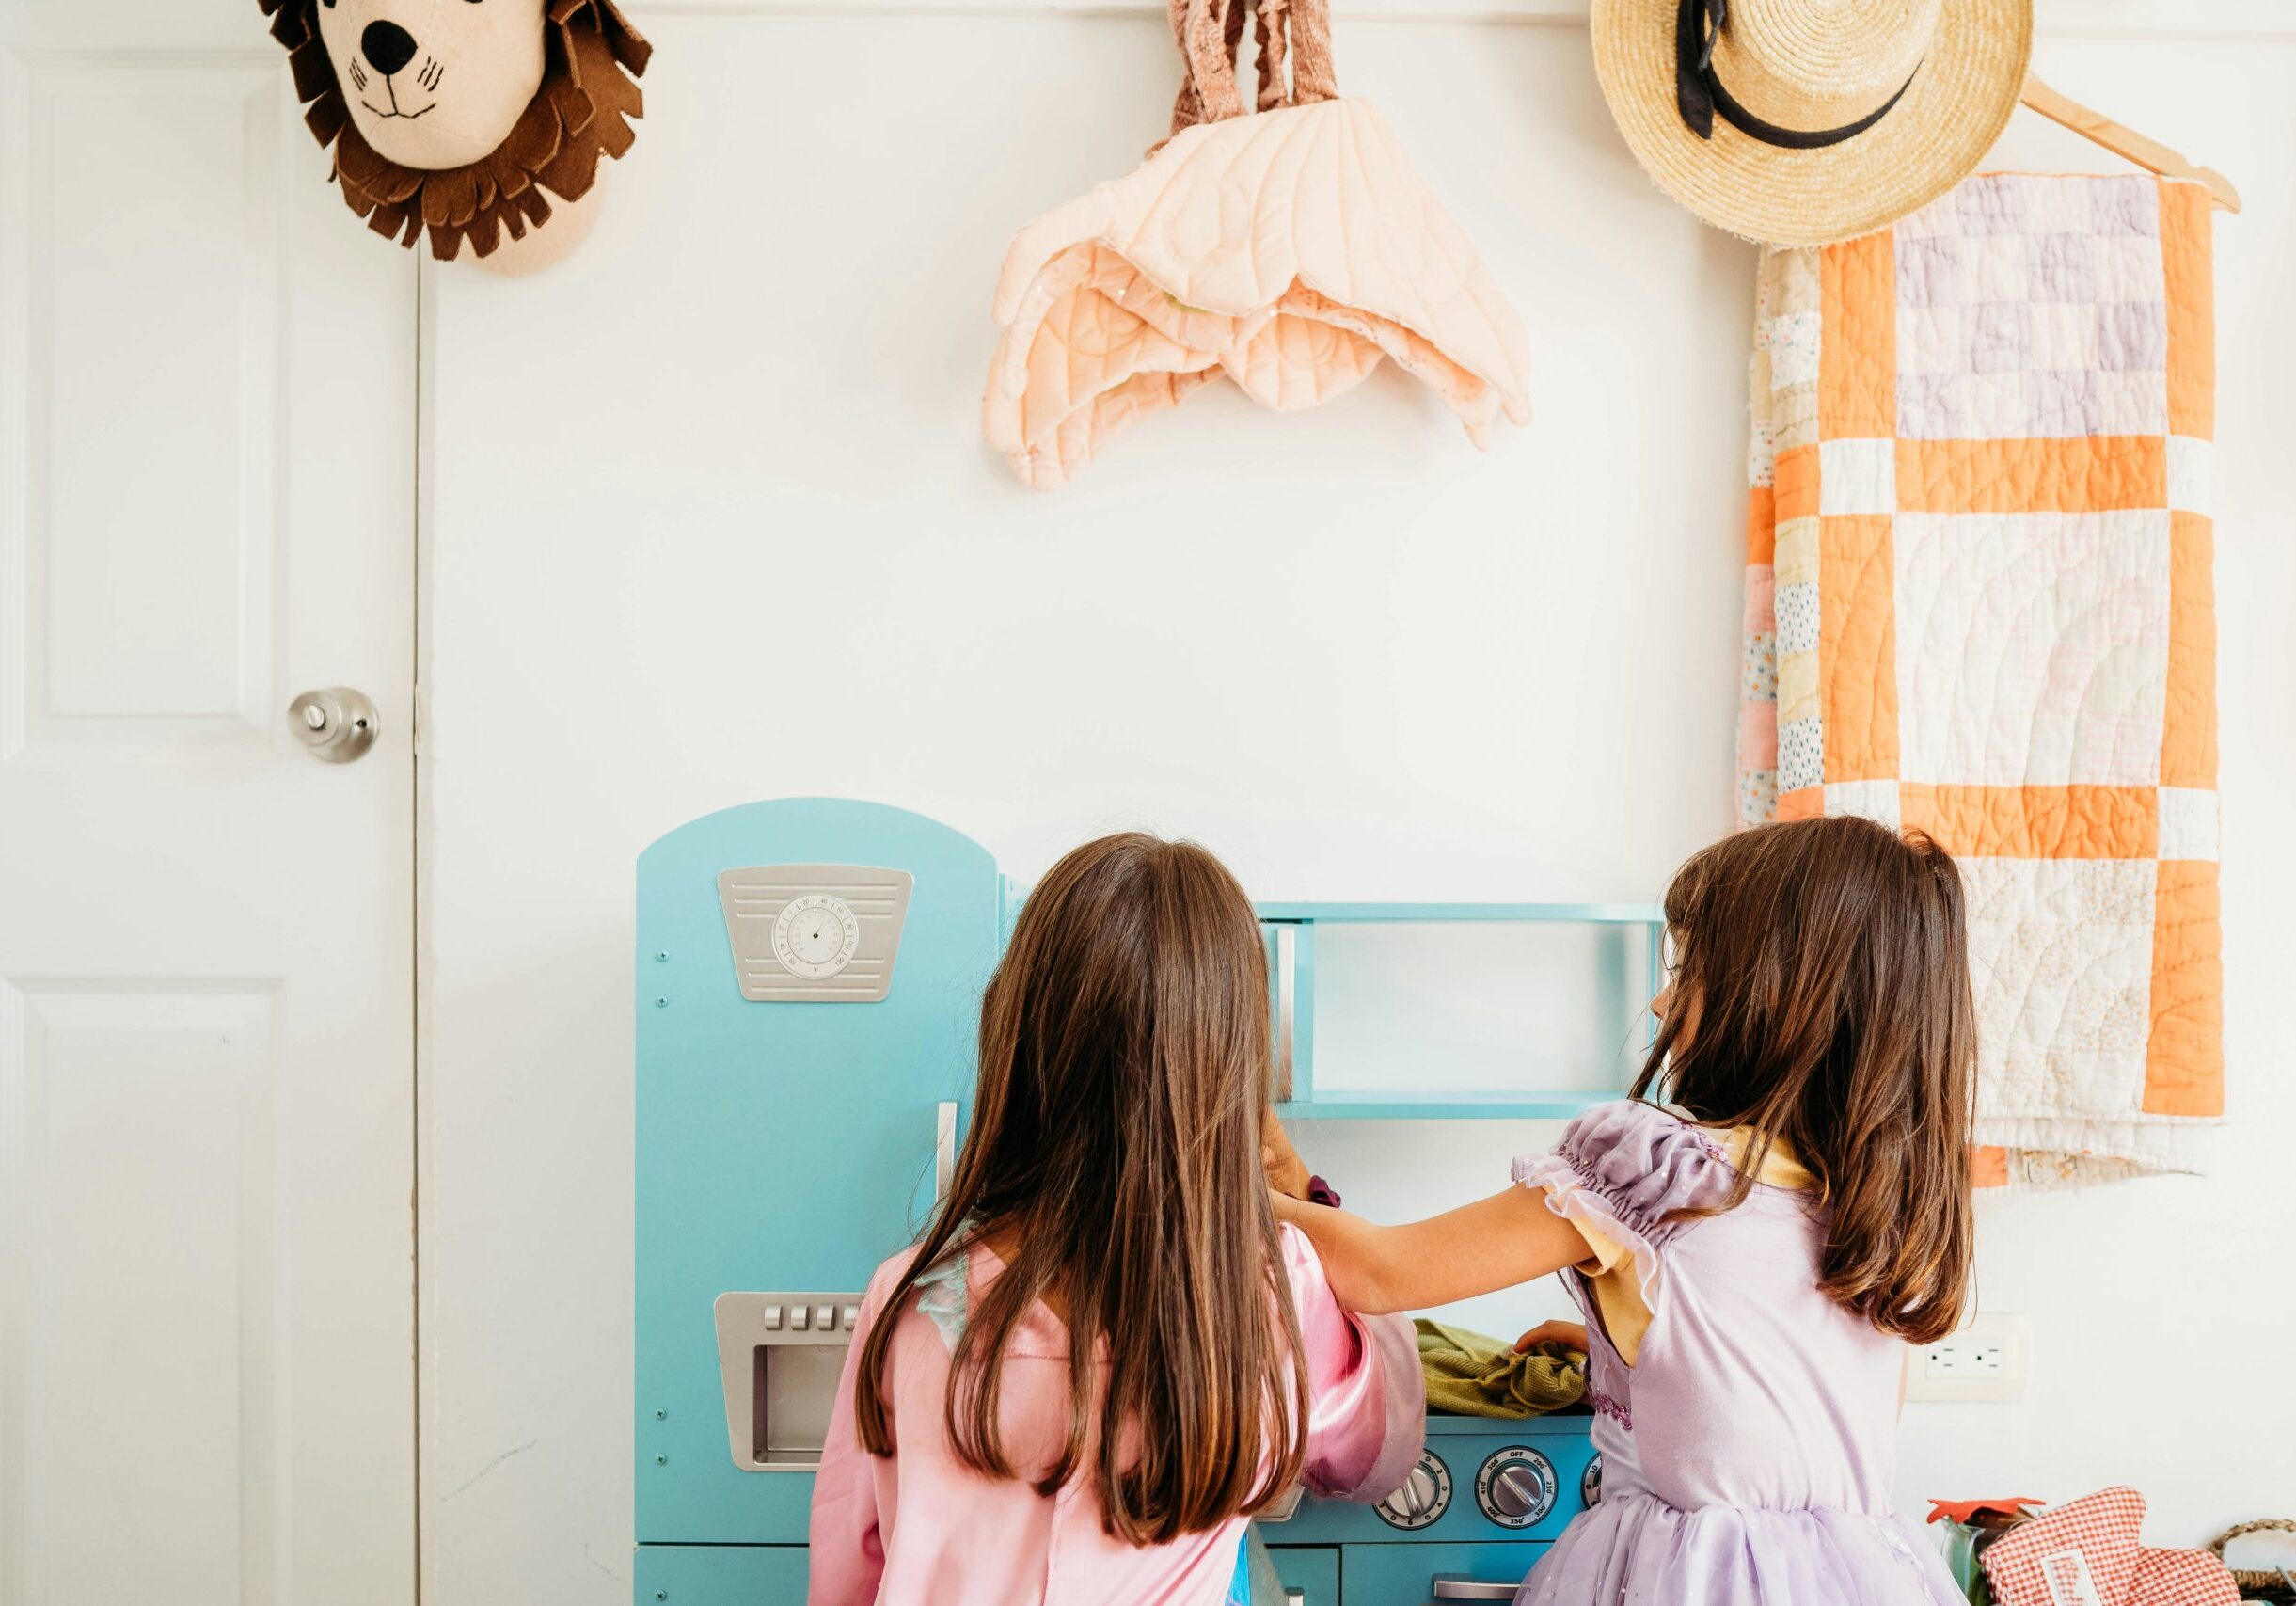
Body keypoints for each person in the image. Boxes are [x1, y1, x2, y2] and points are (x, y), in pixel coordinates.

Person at [1269, 816, 1977, 1605]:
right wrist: (1620, 1358)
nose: (1660, 996)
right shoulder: (1874, 1206)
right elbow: (1779, 1404)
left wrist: (1230, 1188)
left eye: (1690, 968)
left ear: (1771, 994)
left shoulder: (1660, 1180)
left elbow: (1380, 1270)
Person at [808, 833, 1423, 1605]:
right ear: (1228, 1061)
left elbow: (849, 1569)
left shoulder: (910, 1296)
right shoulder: (1271, 1285)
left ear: (1016, 1031)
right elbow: (1376, 1452)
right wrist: (1301, 1192)